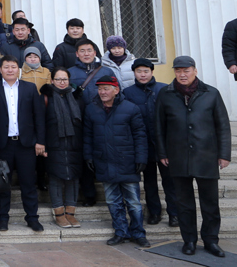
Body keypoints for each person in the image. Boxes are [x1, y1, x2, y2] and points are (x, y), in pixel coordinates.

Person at [155, 56, 232, 258]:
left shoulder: (211, 94)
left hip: (206, 156)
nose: (182, 74)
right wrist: (162, 152)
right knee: (184, 203)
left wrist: (224, 155)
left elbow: (223, 126)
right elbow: (159, 127)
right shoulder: (165, 94)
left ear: (195, 71)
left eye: (186, 70)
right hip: (177, 156)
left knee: (210, 203)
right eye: (178, 71)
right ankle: (189, 240)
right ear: (174, 72)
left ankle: (211, 241)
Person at [84, 74, 150, 247]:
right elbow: (87, 136)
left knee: (134, 203)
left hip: (127, 161)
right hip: (104, 161)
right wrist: (89, 156)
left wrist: (141, 158)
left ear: (116, 90)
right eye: (99, 89)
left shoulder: (130, 108)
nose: (102, 92)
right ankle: (121, 232)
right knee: (113, 201)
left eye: (106, 88)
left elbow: (140, 136)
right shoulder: (92, 109)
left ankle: (138, 233)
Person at [0, 56, 46, 232]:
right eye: (6, 67)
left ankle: (32, 218)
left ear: (18, 69)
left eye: (13, 67)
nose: (10, 70)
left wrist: (40, 141)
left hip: (26, 144)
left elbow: (38, 117)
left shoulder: (30, 88)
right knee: (3, 184)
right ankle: (2, 218)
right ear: (0, 70)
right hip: (3, 145)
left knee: (28, 183)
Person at [123, 58, 179, 227]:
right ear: (134, 73)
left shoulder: (164, 89)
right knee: (149, 182)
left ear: (152, 72)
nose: (143, 75)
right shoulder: (128, 93)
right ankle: (154, 212)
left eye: (146, 71)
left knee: (170, 182)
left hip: (164, 144)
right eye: (139, 71)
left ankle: (174, 214)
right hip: (142, 145)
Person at [40, 67, 84, 229]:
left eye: (64, 79)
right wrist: (41, 143)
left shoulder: (76, 97)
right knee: (55, 178)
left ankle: (70, 213)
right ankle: (59, 214)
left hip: (74, 143)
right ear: (52, 80)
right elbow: (40, 122)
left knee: (73, 177)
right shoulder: (45, 97)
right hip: (54, 143)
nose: (61, 82)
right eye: (58, 79)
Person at [68, 39, 116, 103]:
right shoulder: (69, 73)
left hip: (102, 110)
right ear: (77, 54)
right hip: (79, 110)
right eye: (82, 51)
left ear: (94, 53)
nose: (86, 54)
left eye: (89, 50)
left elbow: (116, 92)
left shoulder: (107, 71)